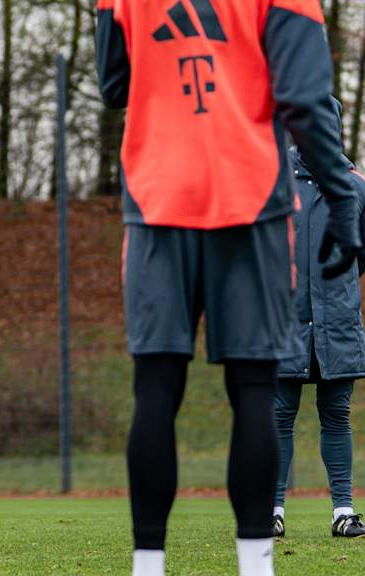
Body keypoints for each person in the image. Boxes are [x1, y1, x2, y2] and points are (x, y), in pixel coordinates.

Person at [96, 1, 362, 575]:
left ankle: (148, 565)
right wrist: (341, 197)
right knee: (253, 389)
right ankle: (255, 564)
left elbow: (114, 82)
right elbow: (307, 99)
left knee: (157, 391)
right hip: (252, 204)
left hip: (157, 201)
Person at [272, 99, 365, 539]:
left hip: (338, 322)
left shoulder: (355, 186)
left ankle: (343, 512)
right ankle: (271, 511)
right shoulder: (271, 181)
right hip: (284, 322)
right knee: (278, 415)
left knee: (336, 414)